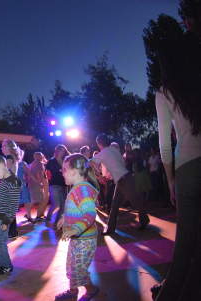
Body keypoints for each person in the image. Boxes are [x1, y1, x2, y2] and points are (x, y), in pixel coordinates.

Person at [153, 1, 201, 299]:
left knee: (185, 242)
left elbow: (164, 143)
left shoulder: (164, 92)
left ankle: (169, 294)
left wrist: (170, 180)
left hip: (187, 168)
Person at [54, 153, 99, 301]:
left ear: (74, 172)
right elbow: (76, 209)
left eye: (64, 169)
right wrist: (64, 218)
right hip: (78, 238)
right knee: (73, 267)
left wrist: (75, 229)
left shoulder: (82, 190)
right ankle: (73, 291)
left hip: (84, 239)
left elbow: (89, 214)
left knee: (78, 269)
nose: (62, 172)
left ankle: (90, 290)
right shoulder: (78, 188)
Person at [91, 134, 150, 235]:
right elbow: (122, 163)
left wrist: (98, 174)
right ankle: (110, 229)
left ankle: (144, 220)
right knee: (115, 206)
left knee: (135, 201)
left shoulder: (104, 152)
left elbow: (90, 162)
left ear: (99, 143)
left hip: (123, 180)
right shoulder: (114, 150)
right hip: (124, 178)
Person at [2, 139, 30, 237]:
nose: (2, 148)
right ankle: (12, 232)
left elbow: (6, 172)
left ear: (10, 147)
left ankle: (11, 232)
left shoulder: (9, 157)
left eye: (4, 146)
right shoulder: (13, 157)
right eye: (2, 146)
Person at [46, 144, 70, 228]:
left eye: (64, 151)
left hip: (64, 185)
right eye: (61, 150)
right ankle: (48, 218)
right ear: (57, 151)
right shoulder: (51, 161)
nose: (62, 152)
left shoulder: (65, 161)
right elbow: (47, 173)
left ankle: (57, 223)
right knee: (56, 204)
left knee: (63, 205)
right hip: (54, 185)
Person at [28, 152, 49, 222]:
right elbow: (39, 173)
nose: (42, 157)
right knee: (41, 200)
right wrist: (40, 182)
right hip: (36, 184)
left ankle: (30, 214)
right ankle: (38, 216)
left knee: (33, 200)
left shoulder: (32, 163)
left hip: (32, 184)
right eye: (41, 156)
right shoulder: (39, 163)